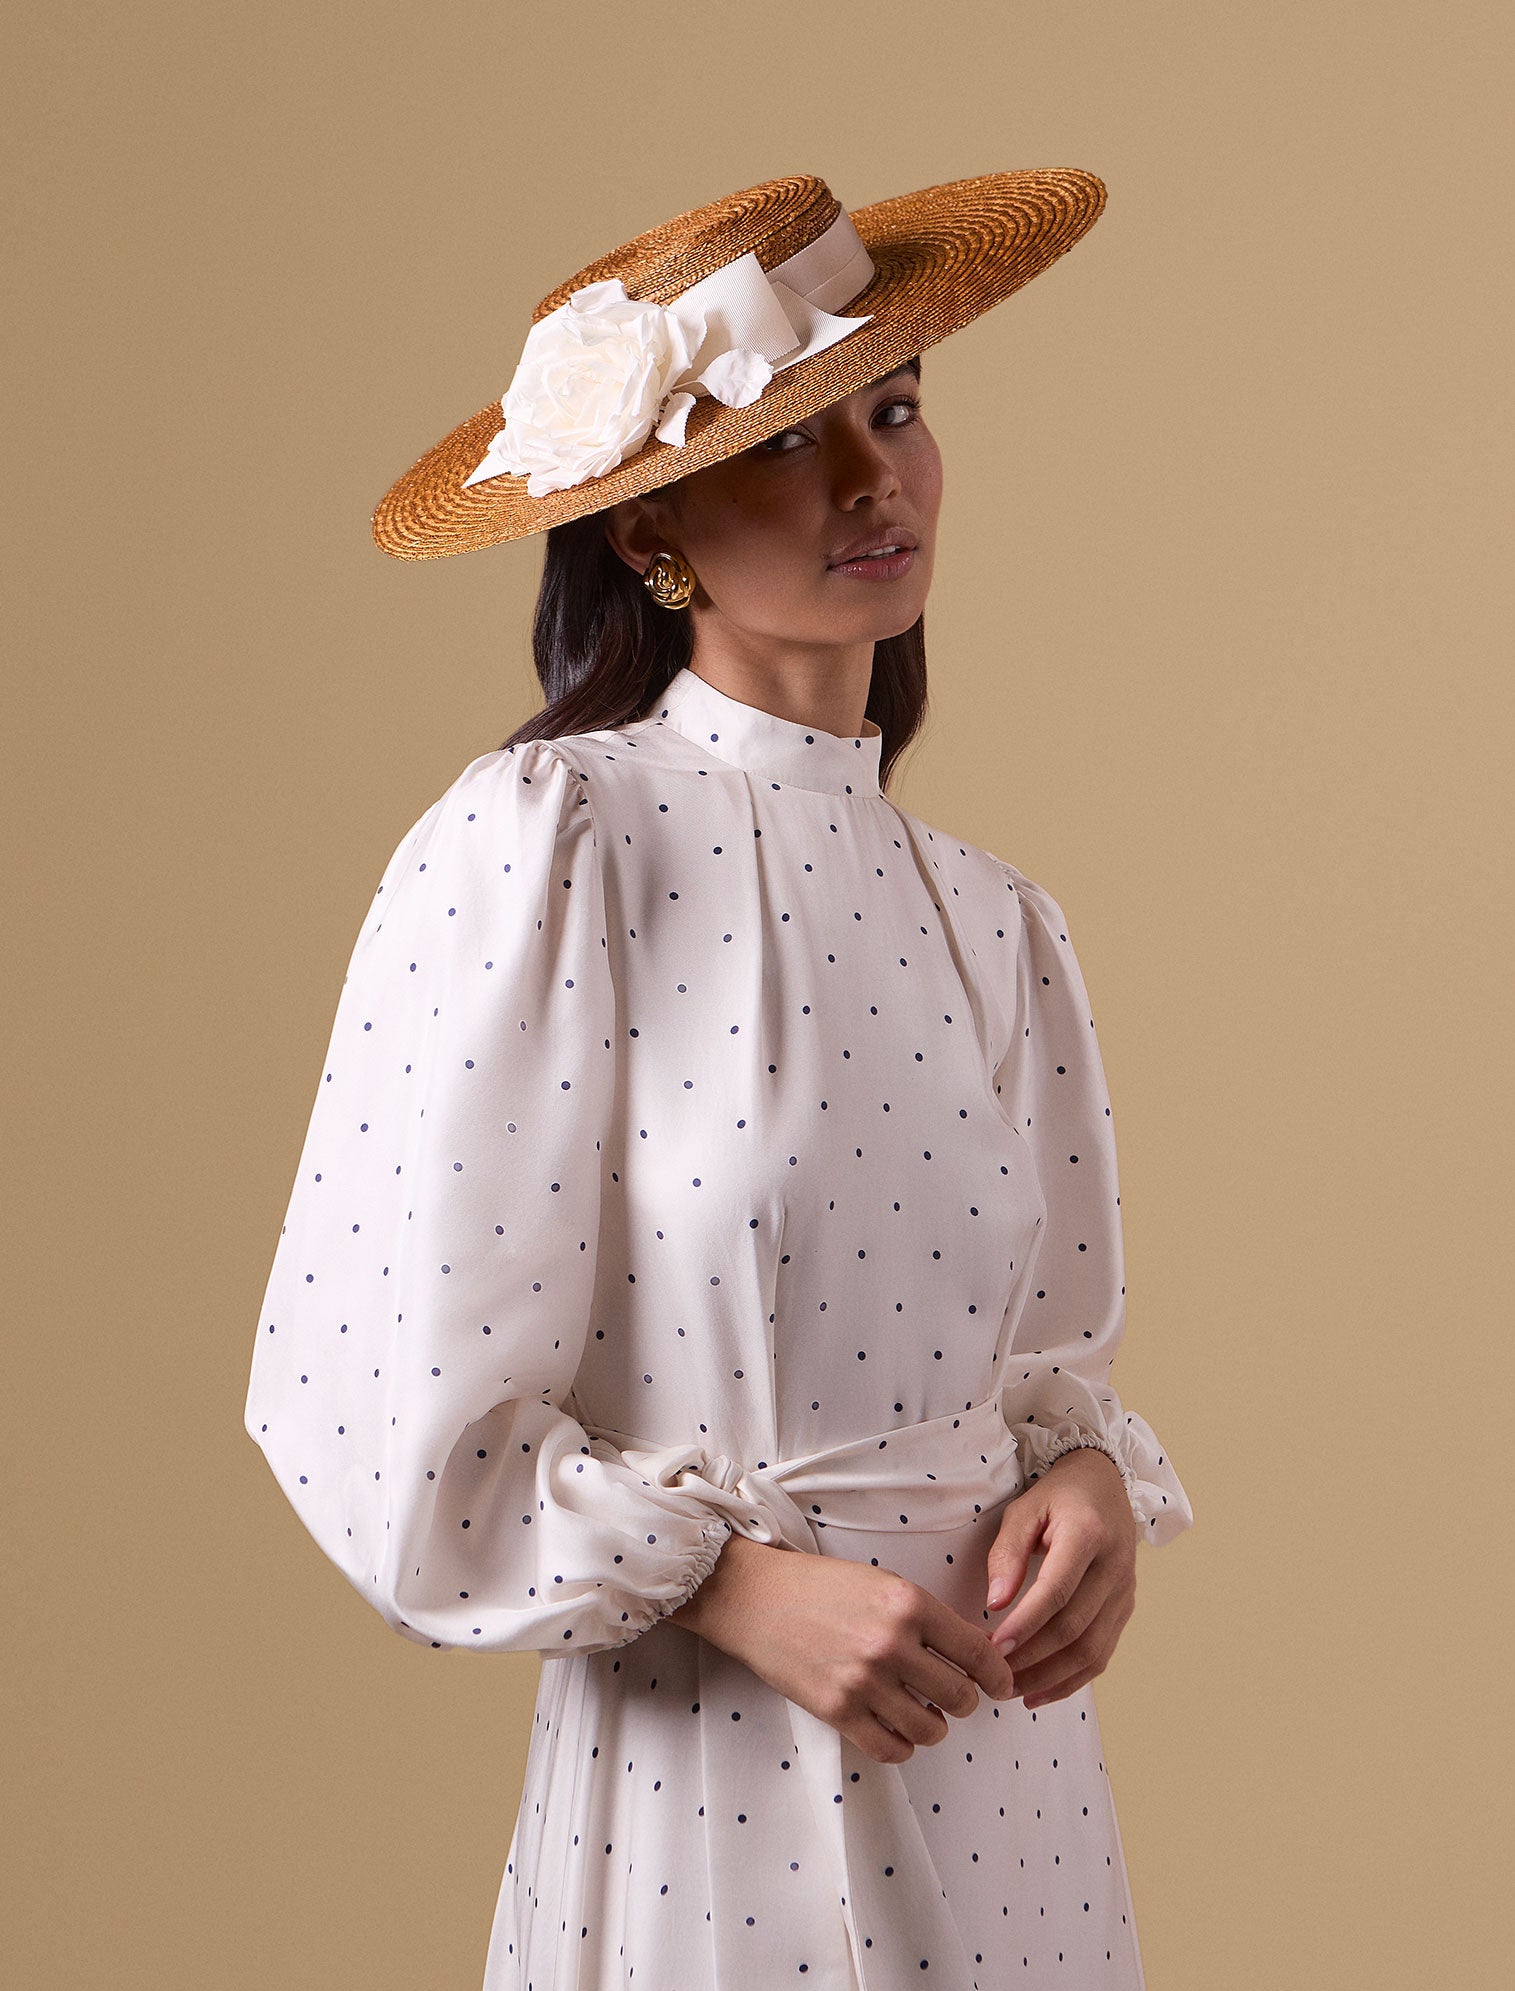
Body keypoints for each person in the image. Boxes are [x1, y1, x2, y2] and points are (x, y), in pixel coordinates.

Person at [244, 171, 1195, 1991]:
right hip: (717, 1763)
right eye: (787, 445)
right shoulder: (550, 844)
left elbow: (1034, 1358)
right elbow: (355, 1376)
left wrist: (1079, 1489)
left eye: (896, 411)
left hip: (1004, 1766)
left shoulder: (994, 919)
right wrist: (731, 1586)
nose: (874, 483)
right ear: (648, 526)